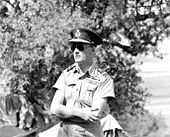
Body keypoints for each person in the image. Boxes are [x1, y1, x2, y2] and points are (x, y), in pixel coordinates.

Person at [39, 28, 124, 137]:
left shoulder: (104, 79)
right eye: (73, 47)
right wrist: (79, 113)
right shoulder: (66, 75)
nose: (76, 51)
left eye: (80, 47)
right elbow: (54, 108)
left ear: (93, 50)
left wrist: (65, 111)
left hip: (88, 133)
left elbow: (95, 113)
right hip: (64, 133)